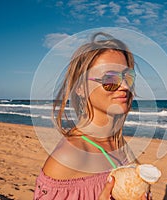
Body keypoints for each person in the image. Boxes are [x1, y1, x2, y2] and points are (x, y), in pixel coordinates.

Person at [34, 32, 150, 200]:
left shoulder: (118, 143)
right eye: (110, 79)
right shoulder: (68, 157)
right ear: (80, 88)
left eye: (128, 77)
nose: (124, 86)